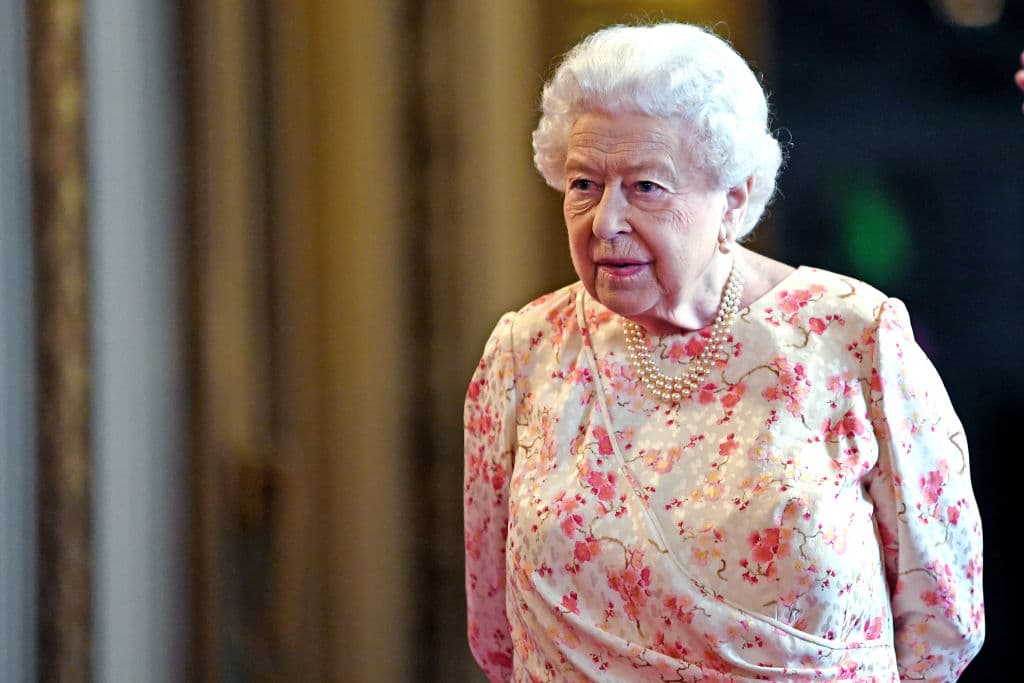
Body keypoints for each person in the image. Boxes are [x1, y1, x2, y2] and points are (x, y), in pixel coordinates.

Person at [464, 23, 990, 682]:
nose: (605, 222)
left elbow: (945, 618)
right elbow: (495, 631)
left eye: (646, 186)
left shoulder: (854, 336)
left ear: (734, 199)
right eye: (584, 185)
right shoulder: (524, 352)